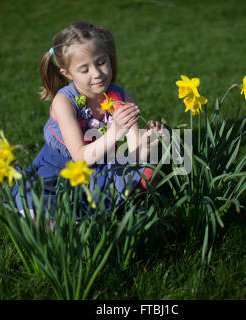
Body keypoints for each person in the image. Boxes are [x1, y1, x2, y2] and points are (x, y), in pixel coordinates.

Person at [13, 21, 164, 219]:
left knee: (152, 169)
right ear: (67, 74)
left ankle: (101, 212)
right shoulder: (64, 102)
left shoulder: (123, 97)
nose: (97, 73)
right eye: (84, 70)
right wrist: (115, 131)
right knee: (34, 203)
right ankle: (78, 220)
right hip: (61, 169)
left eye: (101, 62)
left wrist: (146, 144)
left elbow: (135, 156)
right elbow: (80, 157)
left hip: (102, 165)